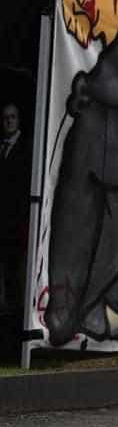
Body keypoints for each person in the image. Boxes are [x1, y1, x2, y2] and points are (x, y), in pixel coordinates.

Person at [0, 103, 32, 312]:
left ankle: (19, 307)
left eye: (13, 117)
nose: (9, 121)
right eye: (5, 118)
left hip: (18, 216)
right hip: (4, 215)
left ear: (19, 120)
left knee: (18, 262)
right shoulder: (2, 146)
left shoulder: (26, 148)